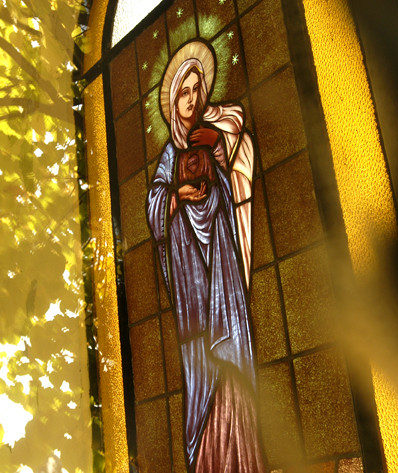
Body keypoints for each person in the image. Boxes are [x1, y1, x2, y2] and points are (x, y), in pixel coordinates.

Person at [146, 40, 264, 472]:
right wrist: (177, 194)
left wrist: (217, 145)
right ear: (173, 98)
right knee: (201, 366)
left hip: (224, 272)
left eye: (198, 89)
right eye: (184, 92)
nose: (193, 99)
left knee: (233, 352)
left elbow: (240, 169)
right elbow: (154, 208)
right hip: (190, 280)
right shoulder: (167, 158)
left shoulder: (215, 130)